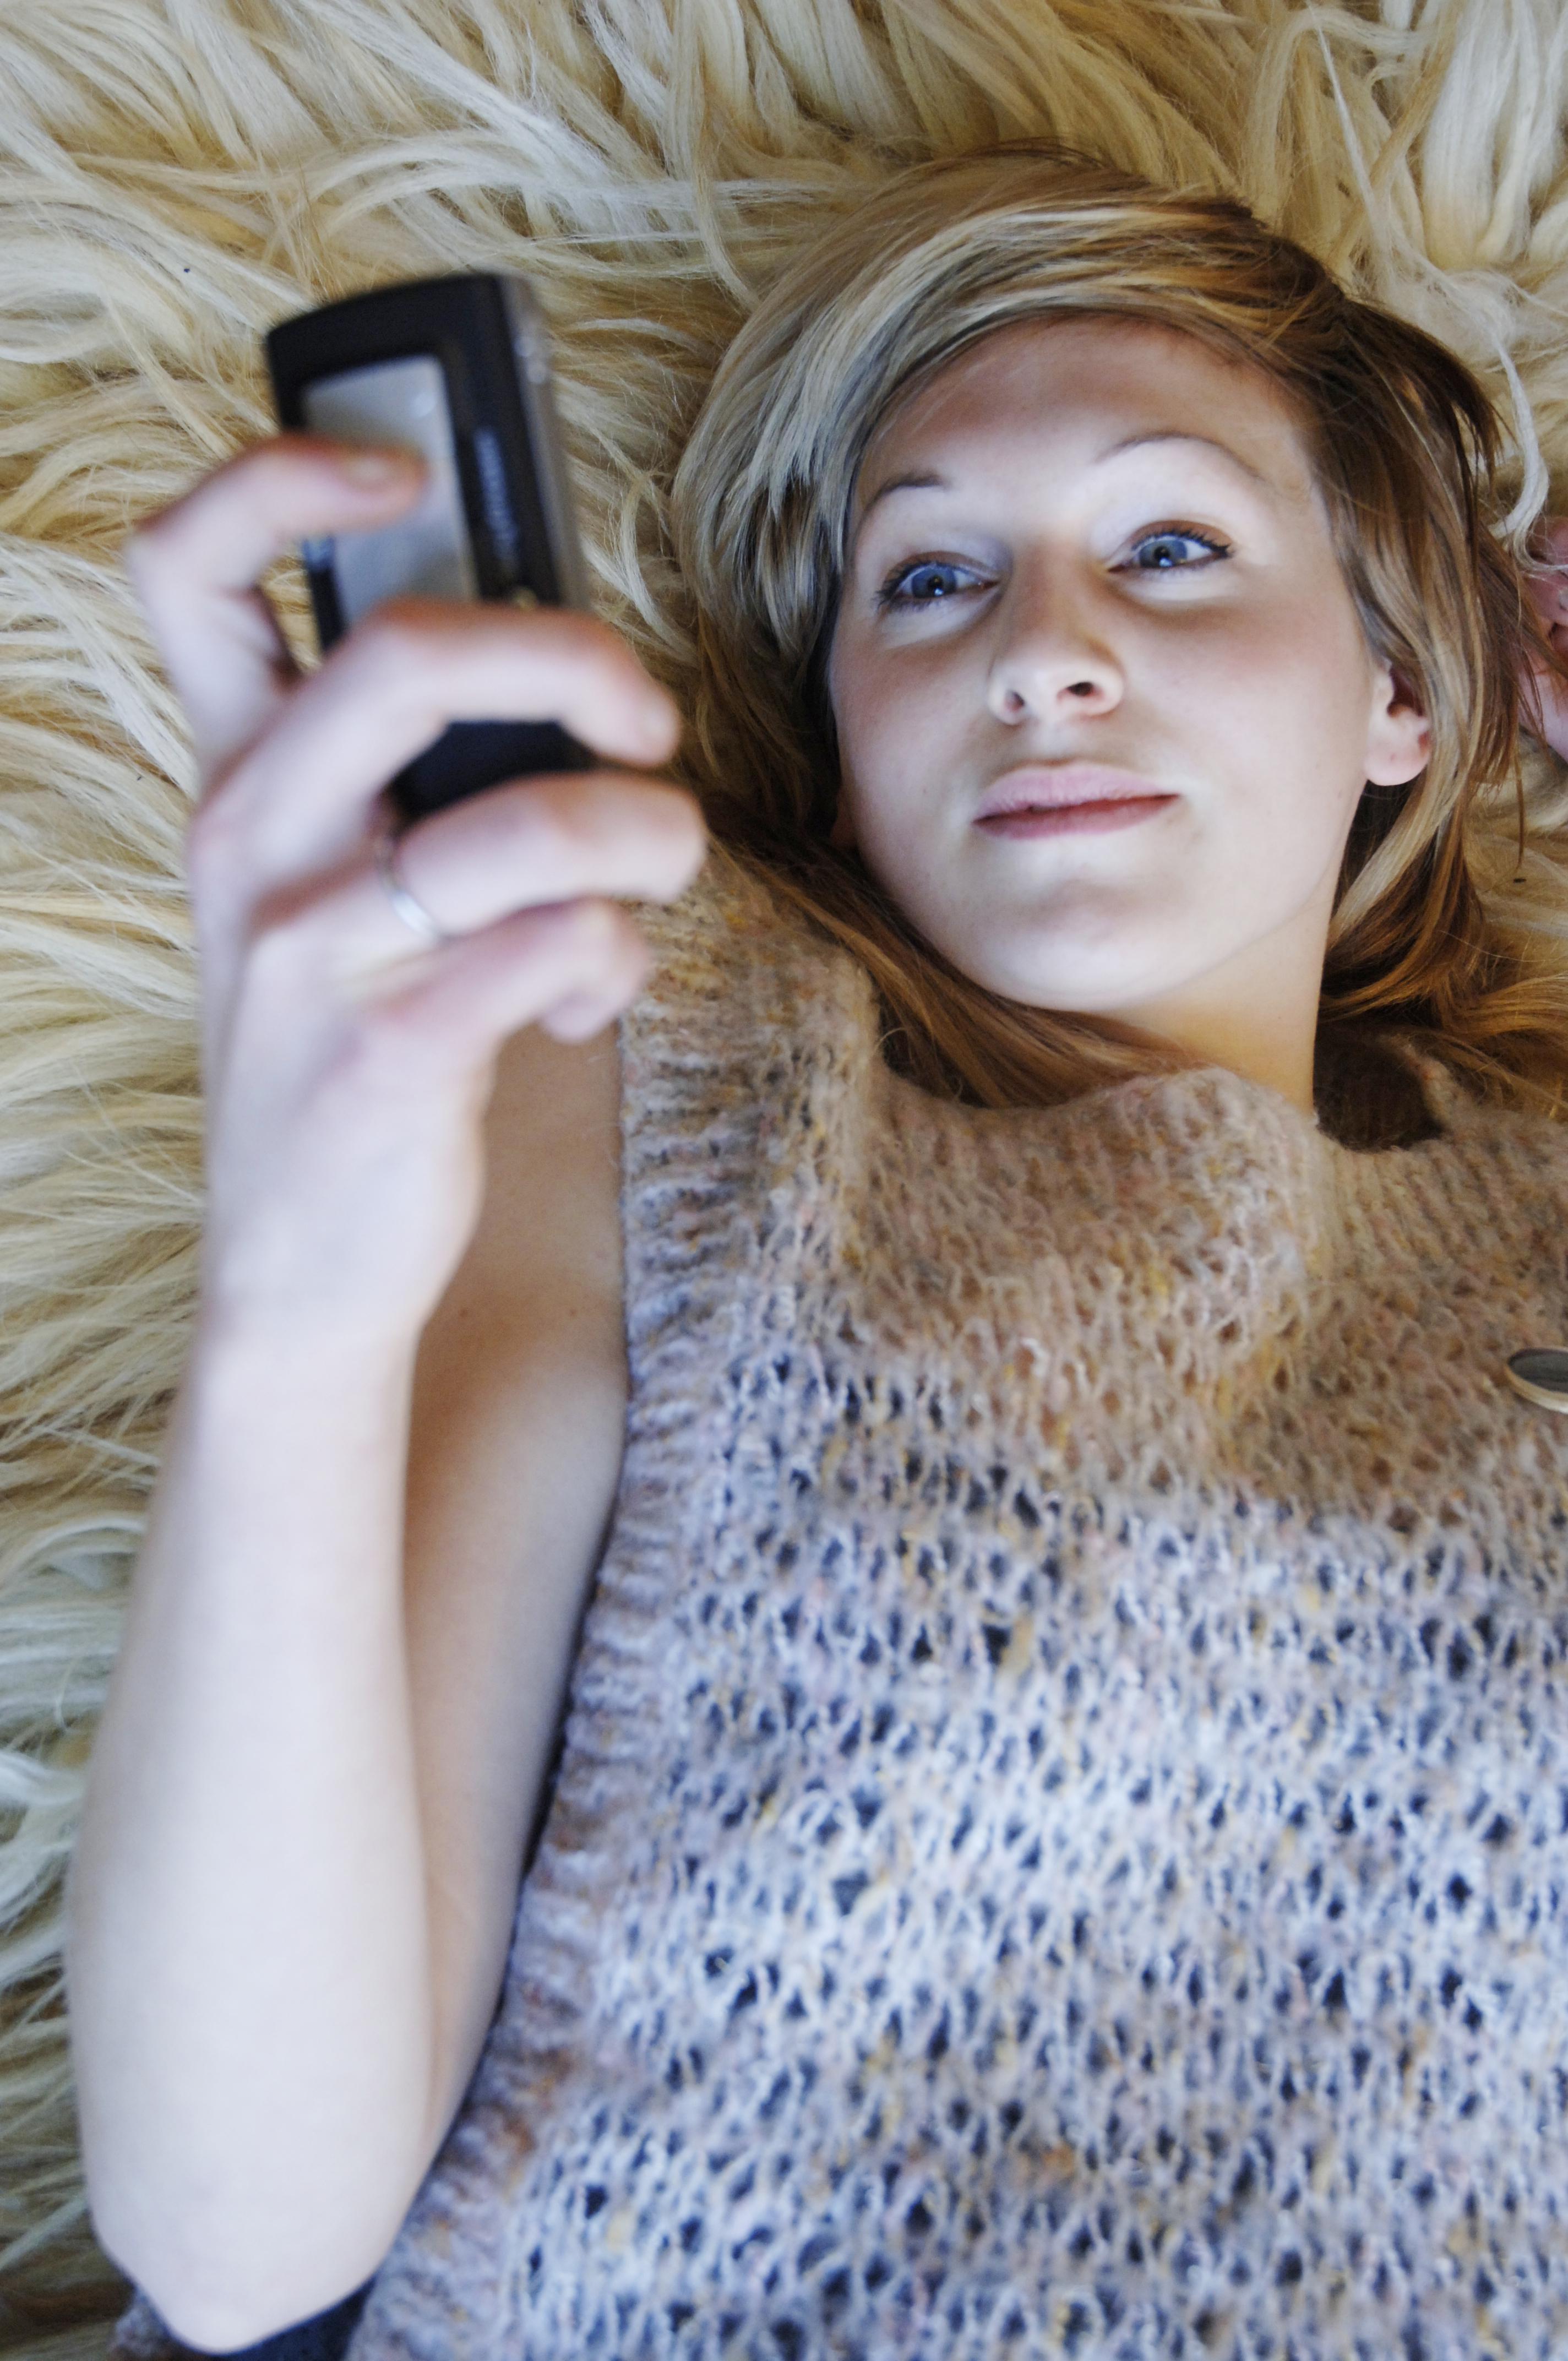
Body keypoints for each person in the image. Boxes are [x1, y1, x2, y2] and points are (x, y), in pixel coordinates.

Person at [70, 142, 1568, 2360]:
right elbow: (238, 2236)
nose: (1047, 655)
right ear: (848, 742)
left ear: (1399, 698)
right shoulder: (667, 1041)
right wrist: (294, 1311)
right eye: (931, 584)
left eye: (1169, 545)